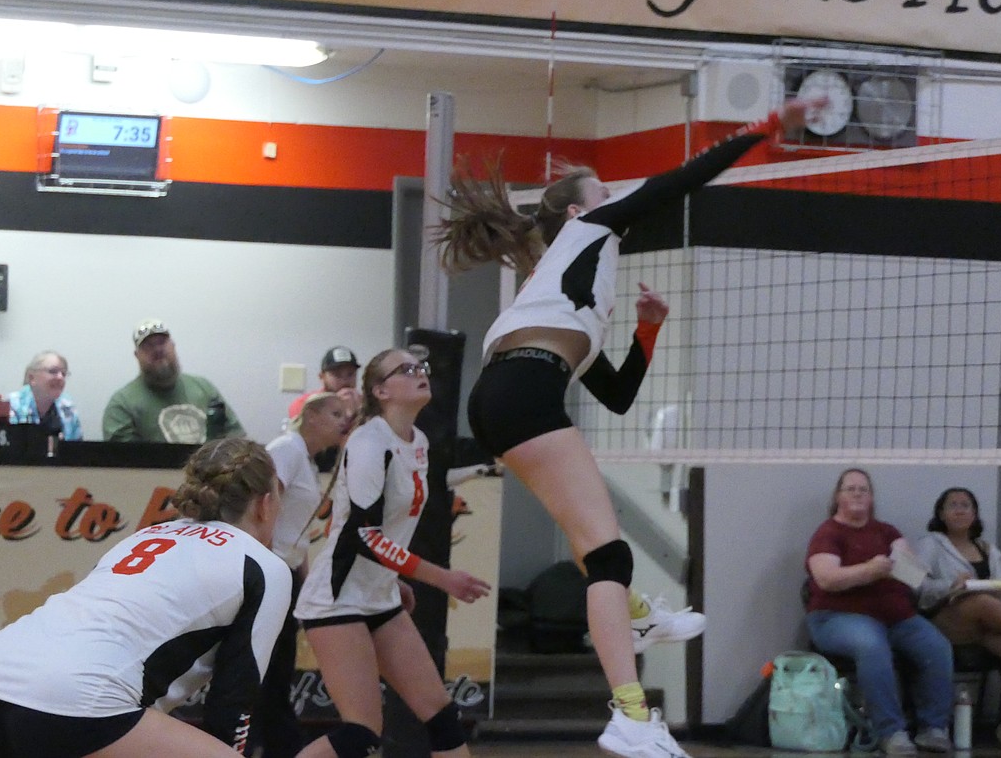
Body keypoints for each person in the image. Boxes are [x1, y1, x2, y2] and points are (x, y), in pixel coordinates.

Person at [432, 101, 826, 758]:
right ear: (579, 210)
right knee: (608, 555)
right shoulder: (588, 235)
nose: (615, 200)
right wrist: (763, 126)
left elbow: (614, 394)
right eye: (605, 194)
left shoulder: (567, 284)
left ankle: (638, 616)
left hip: (509, 396)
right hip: (521, 393)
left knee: (598, 548)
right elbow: (678, 182)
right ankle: (630, 714)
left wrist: (648, 326)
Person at [0, 437, 293, 758]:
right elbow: (234, 700)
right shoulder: (264, 566)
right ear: (265, 504)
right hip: (74, 699)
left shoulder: (148, 535)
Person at [293, 348, 492, 758]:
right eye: (406, 369)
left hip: (378, 595)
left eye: (422, 367)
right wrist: (443, 578)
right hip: (336, 601)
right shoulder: (369, 442)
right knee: (363, 733)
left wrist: (391, 578)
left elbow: (382, 531)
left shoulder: (416, 440)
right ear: (381, 390)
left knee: (442, 717)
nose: (420, 373)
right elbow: (362, 536)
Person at [805, 468, 954, 756]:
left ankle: (933, 728)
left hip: (896, 618)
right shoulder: (828, 533)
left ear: (872, 498)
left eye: (864, 489)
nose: (858, 493)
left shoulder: (887, 532)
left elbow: (910, 570)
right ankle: (890, 731)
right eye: (851, 489)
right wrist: (869, 571)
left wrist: (908, 564)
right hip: (836, 617)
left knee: (937, 647)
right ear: (838, 497)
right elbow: (826, 578)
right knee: (872, 646)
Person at [916, 486, 1001, 753]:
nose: (960, 510)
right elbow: (917, 588)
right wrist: (951, 584)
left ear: (975, 514)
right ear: (941, 513)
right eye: (953, 505)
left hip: (987, 624)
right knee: (979, 600)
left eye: (966, 505)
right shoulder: (930, 544)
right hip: (948, 619)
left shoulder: (989, 550)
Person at [258, 392, 350, 758]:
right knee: (267, 670)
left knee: (277, 670)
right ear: (310, 416)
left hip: (286, 573)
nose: (345, 420)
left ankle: (277, 746)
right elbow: (259, 506)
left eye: (348, 414)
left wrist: (305, 577)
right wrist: (264, 567)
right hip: (269, 572)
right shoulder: (287, 449)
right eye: (336, 412)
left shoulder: (307, 461)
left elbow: (298, 530)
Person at [103, 319, 245, 443]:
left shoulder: (204, 389)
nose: (158, 349)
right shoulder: (121, 405)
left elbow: (237, 441)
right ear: (137, 355)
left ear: (173, 345)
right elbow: (125, 466)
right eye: (148, 346)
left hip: (211, 472)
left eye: (162, 342)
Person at [7, 350, 83, 441]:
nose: (60, 377)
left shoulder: (68, 408)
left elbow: (77, 450)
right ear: (32, 378)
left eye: (63, 373)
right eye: (53, 371)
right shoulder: (10, 405)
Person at [287, 345, 362, 426]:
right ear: (322, 377)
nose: (344, 380)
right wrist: (342, 414)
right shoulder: (305, 404)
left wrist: (359, 414)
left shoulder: (366, 405)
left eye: (350, 374)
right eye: (337, 375)